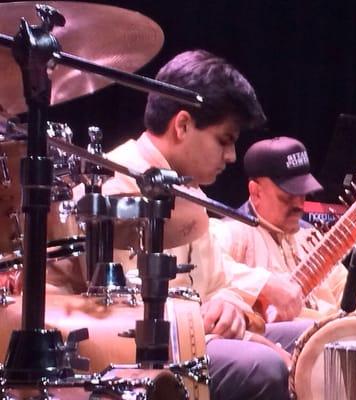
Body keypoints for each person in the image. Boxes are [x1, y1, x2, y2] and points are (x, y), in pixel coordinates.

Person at [100, 50, 310, 400]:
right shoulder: (116, 183)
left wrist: (230, 307)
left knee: (316, 338)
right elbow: (123, 310)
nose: (231, 157)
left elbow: (218, 284)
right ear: (182, 125)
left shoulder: (188, 190)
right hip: (144, 347)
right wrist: (235, 333)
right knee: (263, 365)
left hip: (198, 335)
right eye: (224, 140)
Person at [211, 136, 356, 321]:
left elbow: (354, 314)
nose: (299, 204)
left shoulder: (310, 238)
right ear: (256, 192)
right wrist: (265, 284)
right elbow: (209, 270)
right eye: (287, 195)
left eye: (302, 193)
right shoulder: (232, 232)